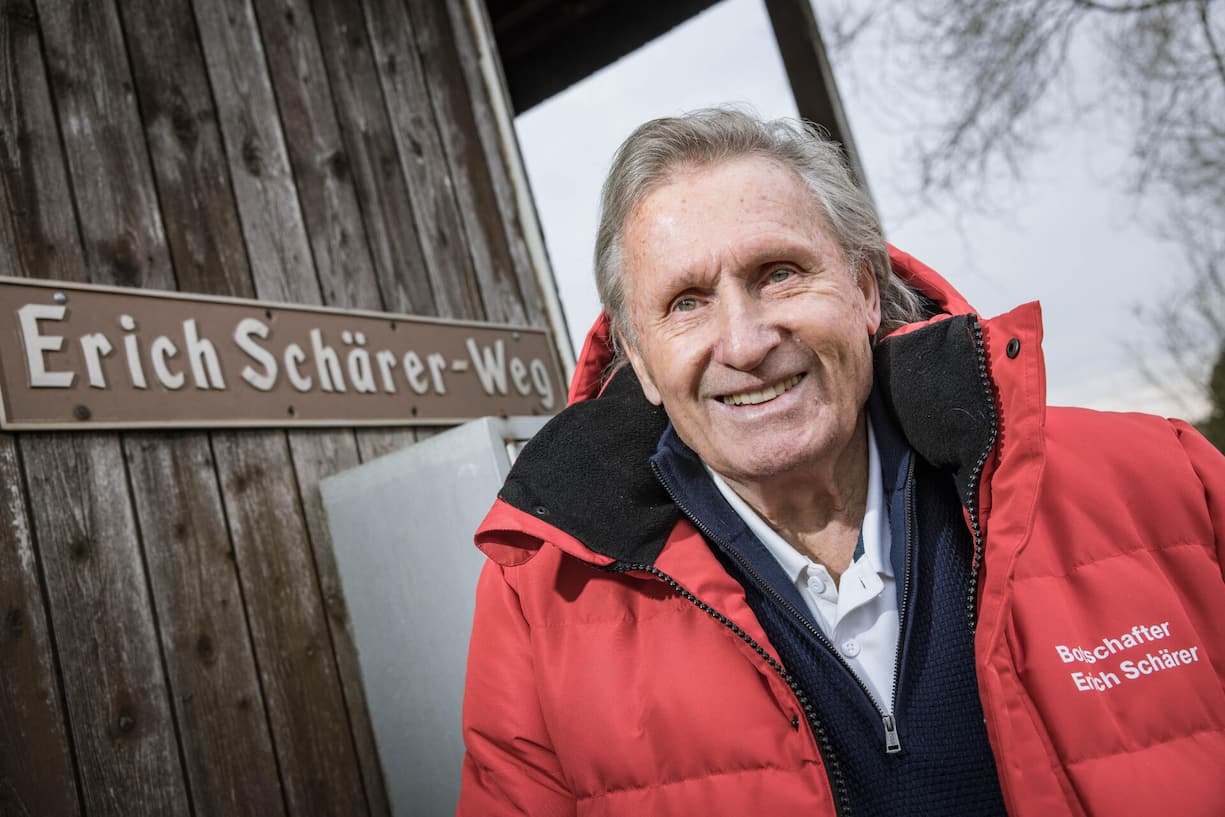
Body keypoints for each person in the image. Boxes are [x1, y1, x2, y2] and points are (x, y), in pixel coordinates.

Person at [456, 109, 1225, 816]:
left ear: (863, 291)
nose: (745, 342)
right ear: (640, 360)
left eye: (778, 273)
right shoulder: (540, 601)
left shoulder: (1162, 478)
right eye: (686, 301)